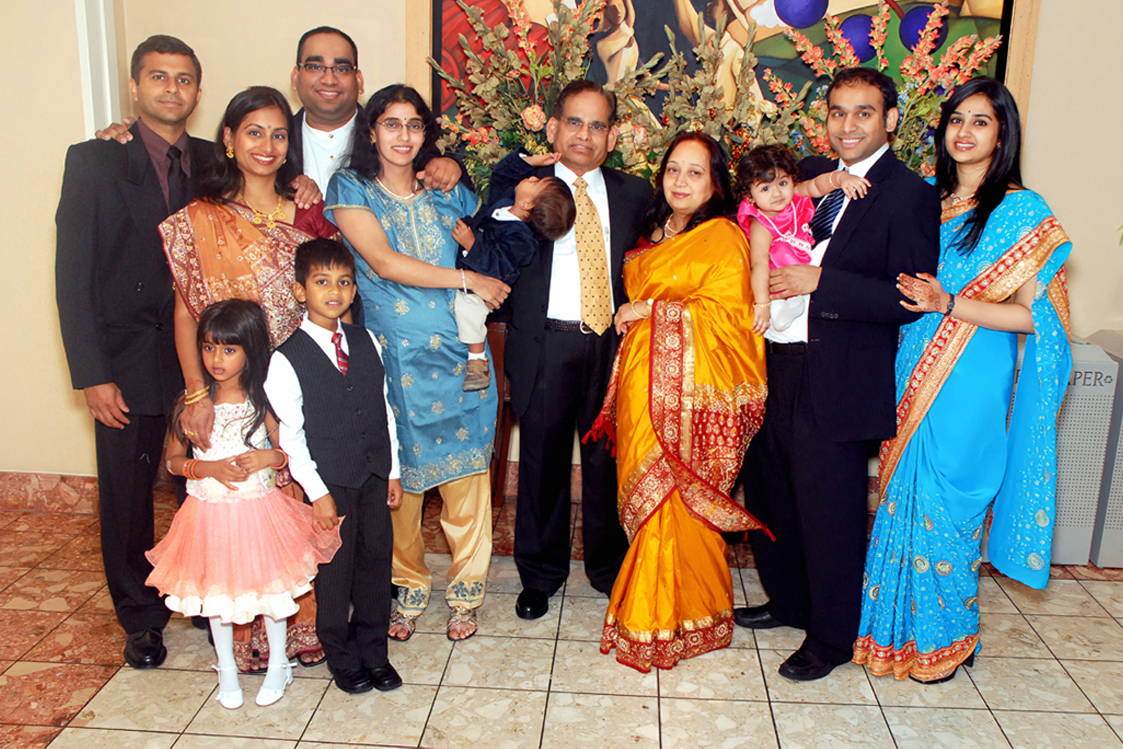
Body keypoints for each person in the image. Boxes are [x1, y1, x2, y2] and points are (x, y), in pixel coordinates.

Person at [853, 77, 1073, 684]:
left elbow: (1036, 317)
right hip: (910, 366)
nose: (965, 132)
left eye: (980, 121)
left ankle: (947, 639)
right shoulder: (925, 199)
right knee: (903, 496)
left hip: (972, 375)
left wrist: (948, 302)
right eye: (956, 119)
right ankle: (892, 633)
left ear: (1003, 134)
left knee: (951, 502)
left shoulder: (1022, 213)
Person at [734, 67, 940, 681]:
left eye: (863, 112)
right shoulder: (808, 176)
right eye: (837, 112)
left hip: (840, 374)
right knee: (773, 492)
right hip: (777, 362)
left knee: (829, 510)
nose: (847, 125)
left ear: (891, 120)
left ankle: (830, 637)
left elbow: (908, 297)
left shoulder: (909, 194)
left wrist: (820, 282)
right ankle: (789, 602)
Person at [159, 85, 339, 671]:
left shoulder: (307, 214)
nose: (267, 145)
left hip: (300, 378)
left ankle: (302, 621)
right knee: (239, 508)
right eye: (254, 132)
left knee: (293, 500)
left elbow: (330, 295)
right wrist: (197, 393)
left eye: (279, 134)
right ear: (229, 140)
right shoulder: (200, 219)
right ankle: (242, 630)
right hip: (229, 383)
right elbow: (187, 313)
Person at [325, 84, 506, 642]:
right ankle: (408, 587)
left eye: (414, 125)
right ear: (371, 131)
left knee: (468, 478)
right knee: (400, 482)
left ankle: (466, 592)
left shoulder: (445, 189)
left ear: (426, 134)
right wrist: (467, 278)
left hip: (462, 354)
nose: (403, 136)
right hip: (393, 360)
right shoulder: (351, 187)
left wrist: (459, 173)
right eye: (391, 123)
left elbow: (498, 227)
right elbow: (382, 261)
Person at [56, 35, 210, 670]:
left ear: (197, 91)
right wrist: (92, 373)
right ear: (135, 86)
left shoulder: (214, 159)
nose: (172, 89)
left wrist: (304, 183)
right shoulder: (95, 159)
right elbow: (73, 275)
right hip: (124, 360)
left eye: (183, 79)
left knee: (206, 486)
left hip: (203, 358)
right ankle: (141, 617)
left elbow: (270, 184)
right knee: (126, 496)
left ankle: (206, 596)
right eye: (158, 77)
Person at [590, 132, 768, 672]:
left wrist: (650, 311)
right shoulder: (649, 232)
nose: (681, 182)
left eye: (695, 172)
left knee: (678, 497)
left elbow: (733, 319)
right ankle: (657, 609)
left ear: (715, 183)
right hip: (638, 384)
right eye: (673, 169)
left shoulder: (723, 236)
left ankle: (679, 616)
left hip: (692, 394)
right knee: (648, 496)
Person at [146, 299, 342, 708]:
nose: (216, 359)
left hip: (258, 514)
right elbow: (173, 461)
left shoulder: (262, 401)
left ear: (250, 351)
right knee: (217, 596)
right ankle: (227, 670)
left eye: (228, 349)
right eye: (209, 347)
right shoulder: (190, 406)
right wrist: (206, 468)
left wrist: (267, 458)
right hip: (208, 517)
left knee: (270, 592)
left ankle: (278, 667)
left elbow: (287, 452)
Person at [504, 80, 652, 620]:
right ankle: (540, 574)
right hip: (546, 342)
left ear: (612, 136)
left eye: (596, 125)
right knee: (541, 461)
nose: (584, 134)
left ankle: (610, 568)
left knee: (607, 460)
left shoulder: (636, 194)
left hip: (613, 345)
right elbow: (486, 245)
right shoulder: (522, 190)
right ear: (553, 128)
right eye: (573, 122)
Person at [265, 238, 405, 694]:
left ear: (354, 290)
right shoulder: (285, 359)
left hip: (373, 473)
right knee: (336, 571)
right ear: (300, 290)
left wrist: (393, 470)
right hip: (330, 482)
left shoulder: (366, 341)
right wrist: (318, 493)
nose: (335, 291)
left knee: (375, 565)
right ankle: (341, 657)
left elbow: (384, 409)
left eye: (344, 282)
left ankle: (374, 653)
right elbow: (291, 435)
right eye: (322, 281)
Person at [450, 149, 576, 391]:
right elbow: (502, 175)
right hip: (462, 267)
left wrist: (472, 244)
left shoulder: (521, 240)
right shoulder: (507, 200)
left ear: (527, 204)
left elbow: (498, 266)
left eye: (536, 183)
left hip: (482, 287)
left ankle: (477, 361)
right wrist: (528, 161)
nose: (532, 177)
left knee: (469, 308)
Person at [290, 26, 466, 194]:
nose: (329, 80)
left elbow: (445, 174)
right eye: (315, 67)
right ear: (295, 78)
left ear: (359, 81)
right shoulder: (279, 139)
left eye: (342, 69)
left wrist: (449, 167)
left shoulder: (394, 135)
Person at [735, 144, 870, 334]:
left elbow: (816, 185)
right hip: (778, 277)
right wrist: (762, 304)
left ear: (792, 179)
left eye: (782, 183)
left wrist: (840, 178)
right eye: (765, 189)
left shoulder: (794, 195)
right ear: (749, 197)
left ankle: (797, 304)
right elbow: (759, 264)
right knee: (775, 296)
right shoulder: (761, 224)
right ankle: (779, 309)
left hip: (806, 264)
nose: (777, 193)